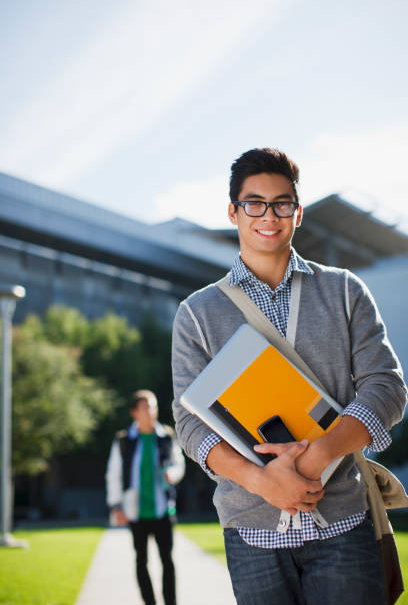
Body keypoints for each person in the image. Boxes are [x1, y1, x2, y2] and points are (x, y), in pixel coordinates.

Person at [171, 148, 407, 604]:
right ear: (233, 212)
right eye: (254, 203)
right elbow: (190, 423)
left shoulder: (343, 290)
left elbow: (386, 386)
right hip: (252, 531)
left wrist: (314, 458)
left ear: (297, 213)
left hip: (342, 519)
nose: (269, 215)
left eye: (282, 203)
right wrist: (261, 480)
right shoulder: (196, 314)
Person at [106, 389, 185, 605]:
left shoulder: (166, 436)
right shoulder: (124, 441)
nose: (151, 411)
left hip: (162, 509)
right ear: (134, 412)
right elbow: (114, 475)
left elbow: (179, 464)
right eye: (145, 407)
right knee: (141, 561)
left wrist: (173, 475)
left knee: (167, 560)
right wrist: (116, 506)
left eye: (153, 406)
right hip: (135, 511)